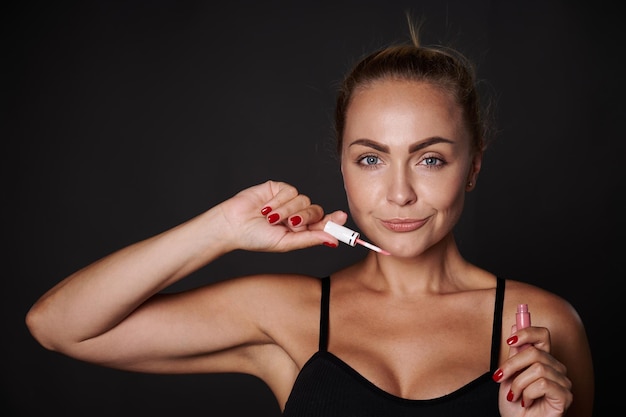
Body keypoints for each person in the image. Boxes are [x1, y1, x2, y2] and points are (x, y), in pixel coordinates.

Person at [25, 17, 594, 417]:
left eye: (430, 158)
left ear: (472, 166)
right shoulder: (286, 315)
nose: (399, 193)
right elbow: (57, 327)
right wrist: (221, 229)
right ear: (344, 168)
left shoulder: (540, 326)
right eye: (371, 158)